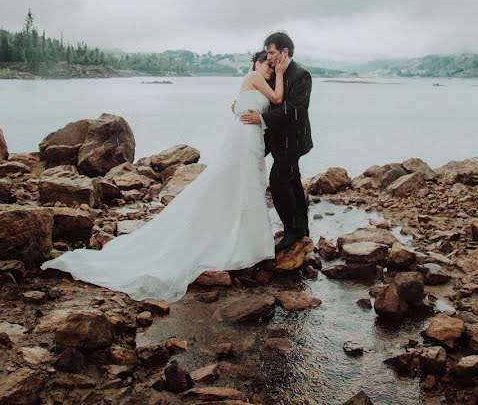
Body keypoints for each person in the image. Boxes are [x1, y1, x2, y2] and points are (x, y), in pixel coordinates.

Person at [40, 50, 291, 302]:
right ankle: (243, 244)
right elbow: (277, 99)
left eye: (272, 66)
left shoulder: (257, 82)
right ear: (255, 63)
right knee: (236, 183)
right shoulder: (256, 77)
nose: (270, 69)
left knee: (243, 184)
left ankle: (245, 241)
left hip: (251, 137)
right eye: (266, 64)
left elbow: (249, 106)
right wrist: (279, 73)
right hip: (244, 137)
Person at [240, 31, 313, 252]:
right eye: (268, 53)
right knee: (292, 182)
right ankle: (302, 228)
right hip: (276, 139)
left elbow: (293, 110)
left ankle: (292, 231)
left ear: (284, 51)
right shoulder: (275, 73)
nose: (269, 57)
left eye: (272, 52)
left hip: (293, 140)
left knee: (279, 181)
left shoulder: (301, 75)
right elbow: (263, 96)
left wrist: (261, 119)